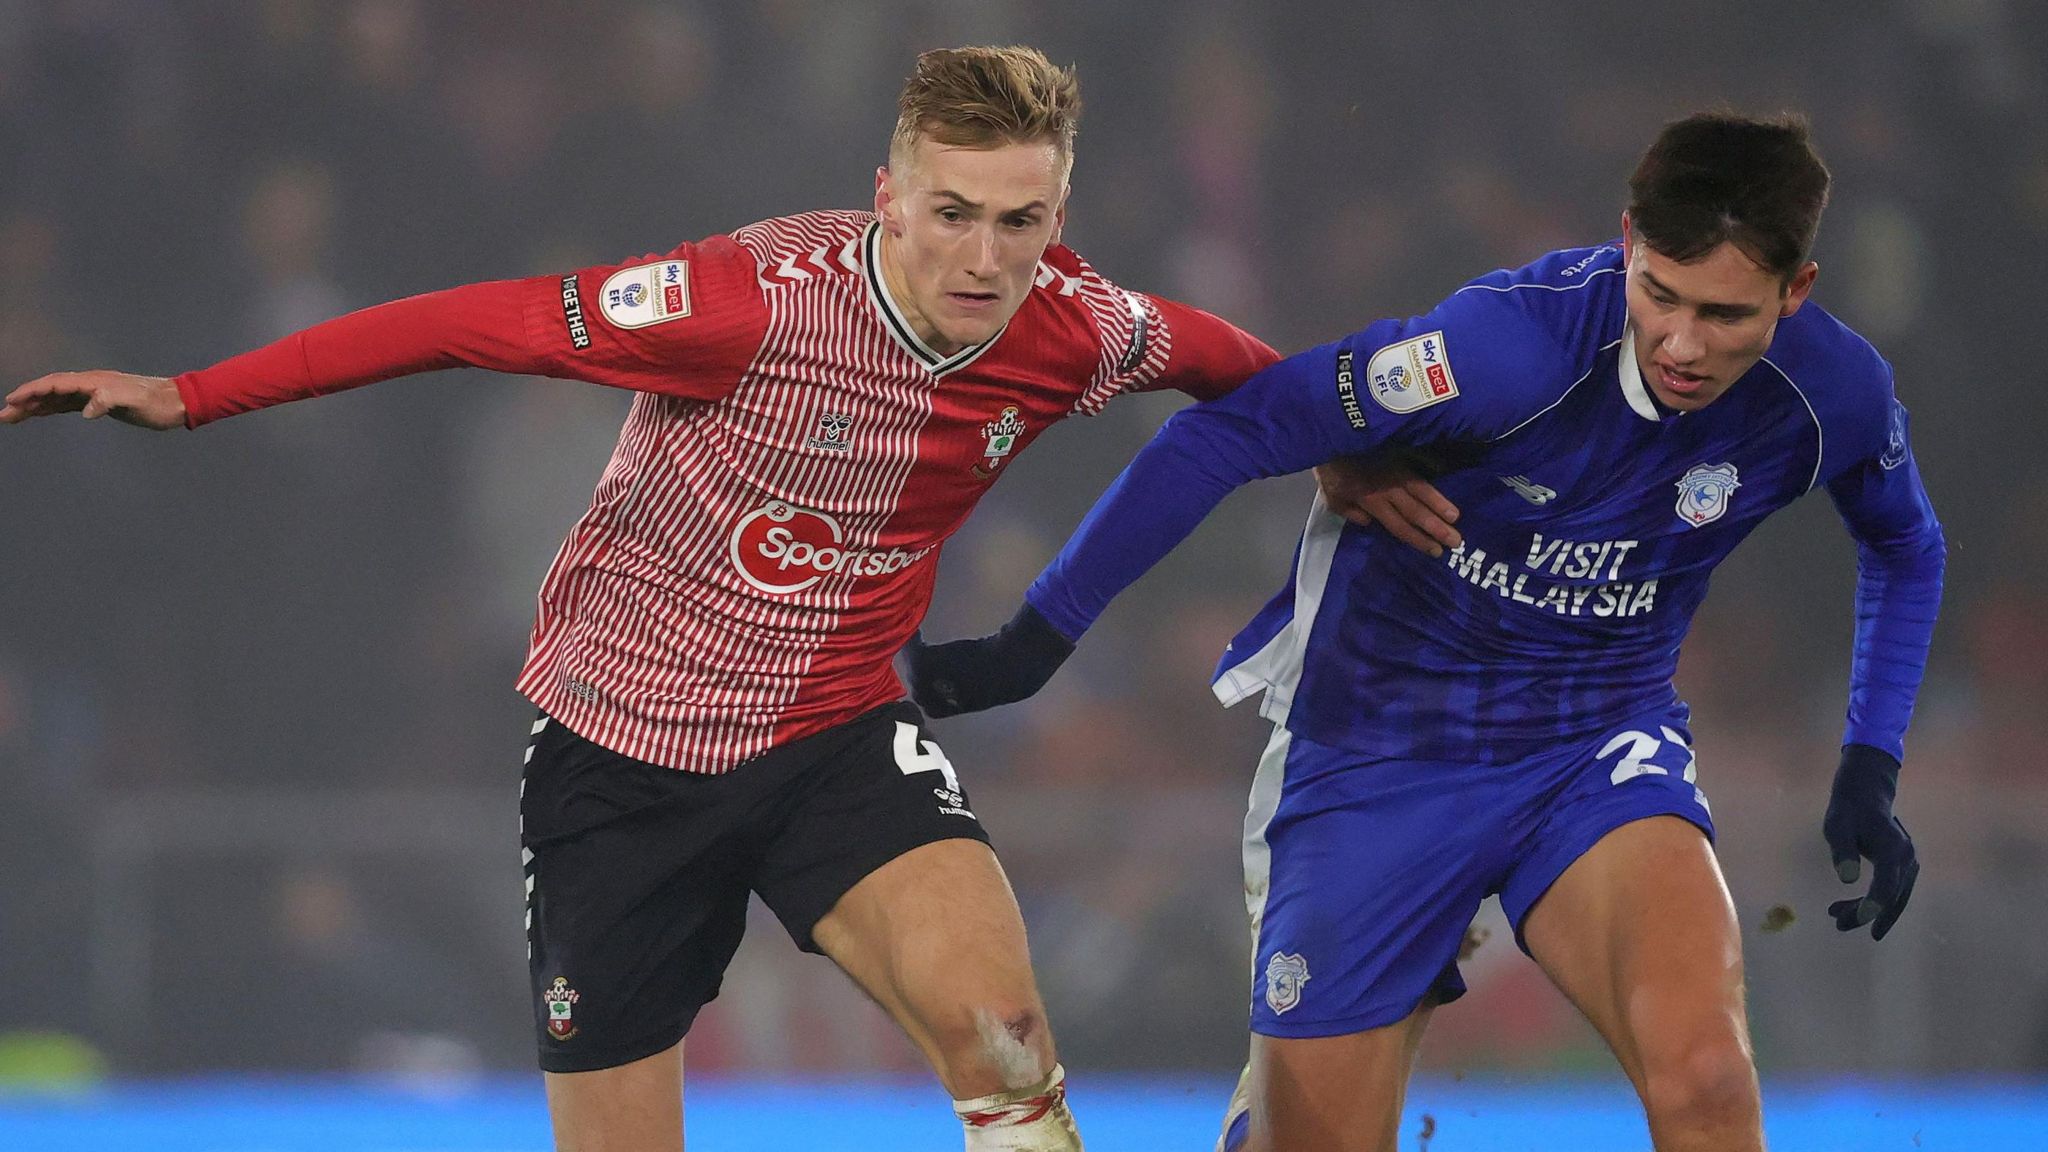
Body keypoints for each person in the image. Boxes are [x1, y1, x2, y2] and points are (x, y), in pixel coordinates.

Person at [2, 45, 1428, 1152]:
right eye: (951, 215)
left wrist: (1350, 449)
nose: (985, 260)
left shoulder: (1078, 324)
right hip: (619, 758)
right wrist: (195, 397)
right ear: (888, 196)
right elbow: (463, 324)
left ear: (1060, 214)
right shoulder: (744, 301)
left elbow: (1235, 361)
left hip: (834, 741)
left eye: (1021, 220)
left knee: (1002, 1036)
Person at [900, 112, 1945, 1152]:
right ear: (1626, 242)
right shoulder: (1505, 350)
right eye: (1657, 295)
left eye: (1722, 314)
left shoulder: (1831, 395)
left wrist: (1868, 760)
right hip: (1376, 753)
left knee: (1710, 1084)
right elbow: (1231, 429)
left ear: (1793, 293)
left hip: (1592, 748)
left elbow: (1903, 544)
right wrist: (1034, 638)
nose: (1679, 343)